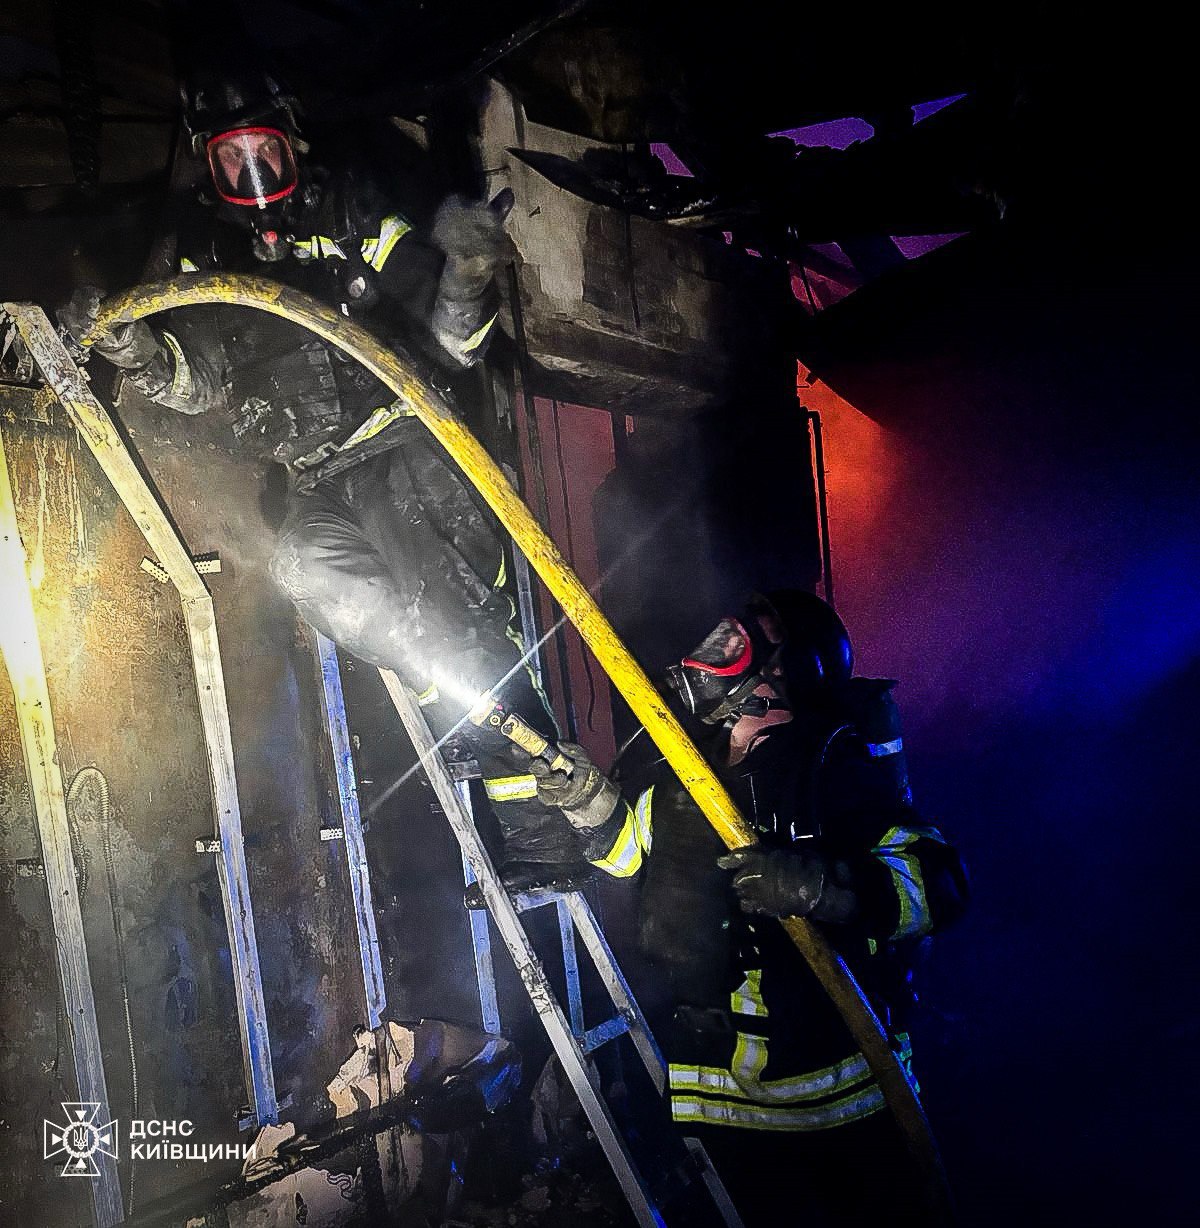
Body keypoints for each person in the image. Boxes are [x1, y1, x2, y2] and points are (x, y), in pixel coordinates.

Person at [58, 67, 585, 885]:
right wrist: (135, 350)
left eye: (264, 151)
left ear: (292, 142)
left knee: (457, 618)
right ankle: (447, 692)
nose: (253, 175)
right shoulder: (203, 255)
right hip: (318, 474)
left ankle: (545, 840)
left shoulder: (351, 213)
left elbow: (449, 346)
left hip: (411, 440)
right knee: (307, 569)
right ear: (207, 162)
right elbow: (199, 383)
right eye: (231, 159)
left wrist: (467, 275)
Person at [529, 590, 969, 1225]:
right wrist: (588, 804)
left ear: (785, 670)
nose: (709, 655)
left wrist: (824, 889)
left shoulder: (832, 765)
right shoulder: (687, 770)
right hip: (718, 1098)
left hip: (835, 1094)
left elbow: (937, 887)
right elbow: (632, 858)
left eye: (734, 644)